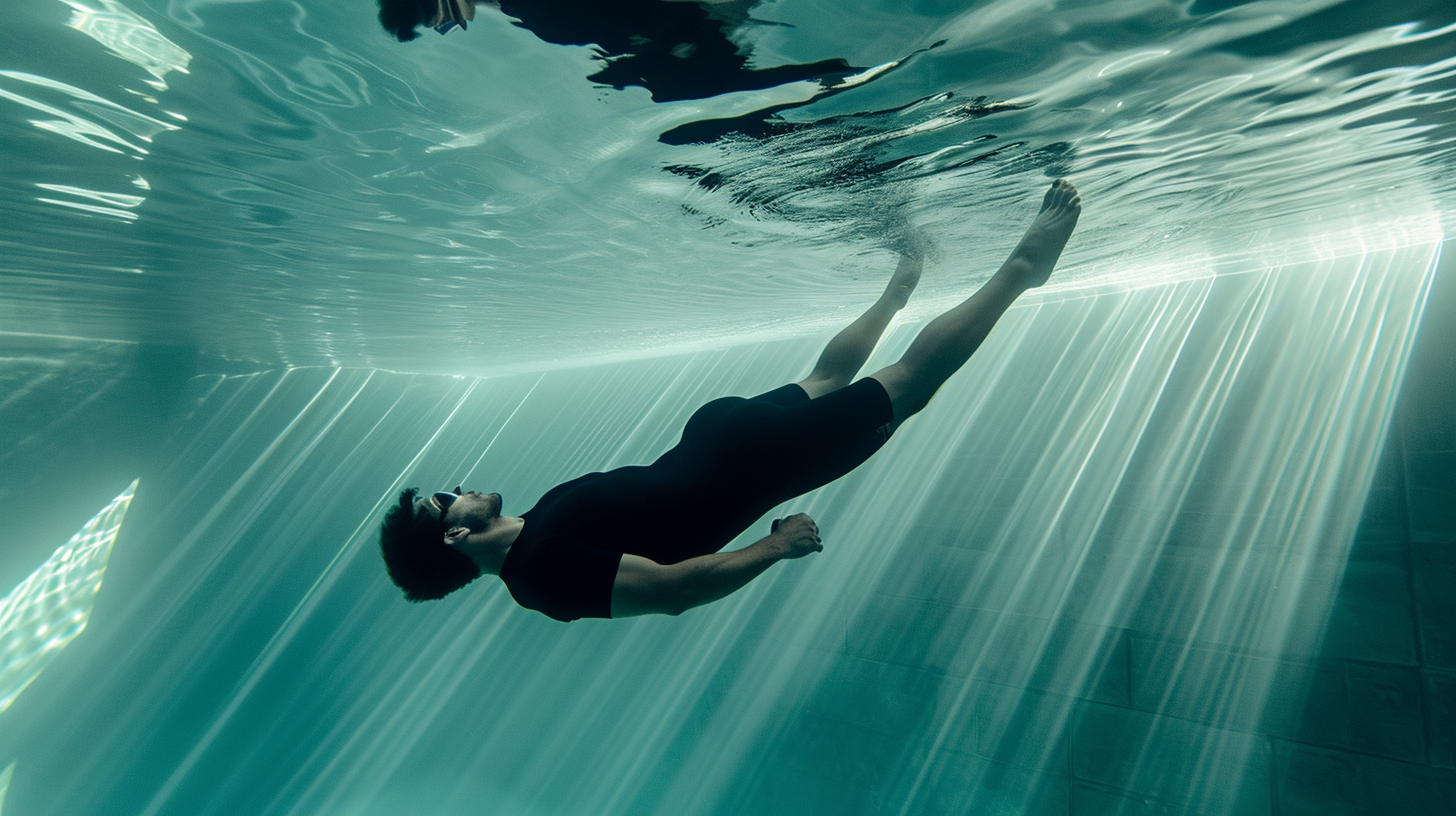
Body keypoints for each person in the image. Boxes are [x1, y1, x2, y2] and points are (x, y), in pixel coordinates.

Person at [379, 180, 1082, 621]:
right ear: (451, 536)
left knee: (911, 381)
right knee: (831, 376)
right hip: (723, 436)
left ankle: (1023, 269)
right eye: (444, 498)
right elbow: (671, 587)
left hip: (753, 459)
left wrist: (775, 544)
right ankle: (904, 276)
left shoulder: (537, 546)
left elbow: (672, 586)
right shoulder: (541, 571)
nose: (458, 487)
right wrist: (771, 547)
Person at [376, 0, 866, 102]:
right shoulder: (520, 8)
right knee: (675, 93)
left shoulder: (528, 7)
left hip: (684, 26)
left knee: (686, 92)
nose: (451, 26)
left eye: (437, 18)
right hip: (666, 34)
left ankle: (823, 74)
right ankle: (823, 75)